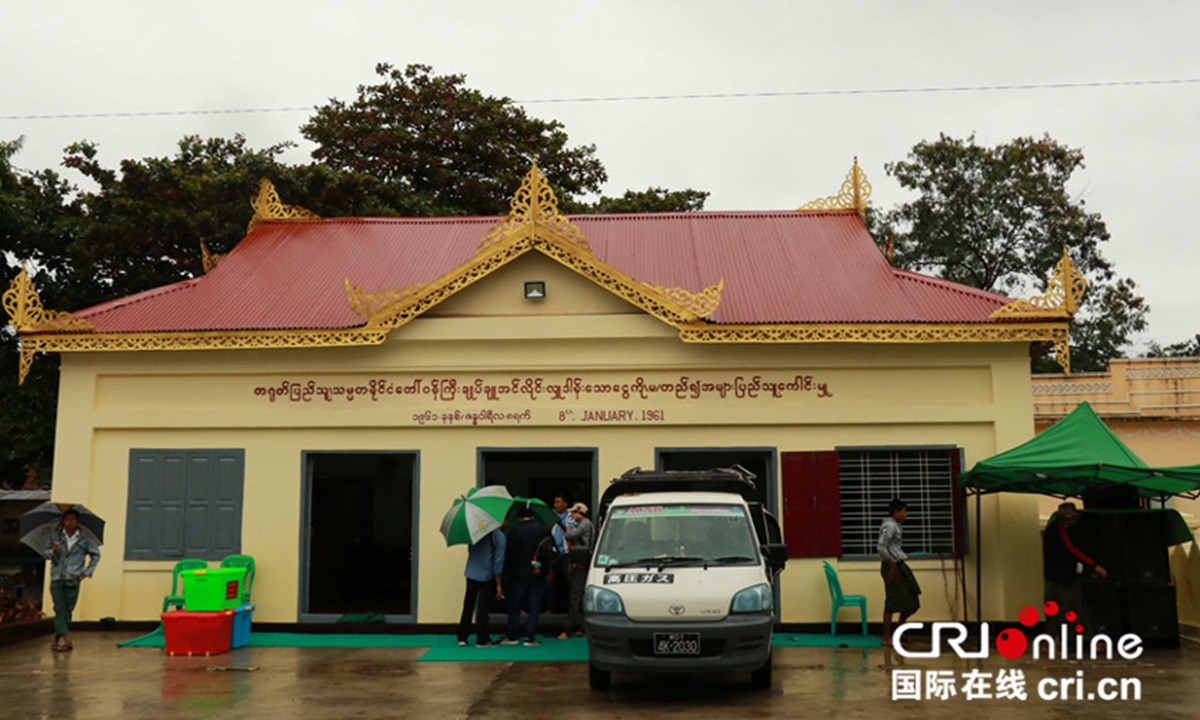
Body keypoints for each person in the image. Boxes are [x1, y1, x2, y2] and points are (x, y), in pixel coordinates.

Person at [43, 507, 100, 652]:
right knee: (59, 607)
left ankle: (57, 636)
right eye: (67, 519)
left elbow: (95, 555)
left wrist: (87, 572)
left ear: (77, 522)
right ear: (63, 521)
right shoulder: (56, 537)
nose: (70, 522)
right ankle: (67, 638)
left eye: (73, 519)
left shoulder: (84, 539)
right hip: (57, 577)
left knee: (68, 609)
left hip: (74, 577)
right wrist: (53, 551)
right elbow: (45, 553)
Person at [1042, 501, 1106, 631]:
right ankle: (1052, 638)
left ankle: (1083, 637)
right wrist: (1094, 565)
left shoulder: (1064, 530)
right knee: (1062, 608)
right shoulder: (1058, 531)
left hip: (1067, 575)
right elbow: (1071, 549)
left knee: (1076, 607)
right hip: (1061, 577)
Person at [502, 505, 551, 646]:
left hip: (518, 573)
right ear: (533, 516)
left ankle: (513, 635)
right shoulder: (543, 529)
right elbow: (549, 551)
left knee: (514, 605)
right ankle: (530, 636)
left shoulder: (514, 531)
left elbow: (509, 555)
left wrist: (507, 574)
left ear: (518, 518)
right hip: (538, 572)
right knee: (534, 605)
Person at [878, 499, 920, 646]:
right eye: (903, 512)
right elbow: (881, 547)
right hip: (892, 565)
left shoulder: (895, 525)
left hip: (899, 563)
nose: (905, 515)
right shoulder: (889, 526)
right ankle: (886, 637)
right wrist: (892, 565)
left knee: (911, 598)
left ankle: (898, 632)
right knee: (892, 600)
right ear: (895, 512)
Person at [457, 527, 506, 648]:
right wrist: (499, 583)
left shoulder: (475, 532)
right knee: (483, 607)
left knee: (468, 605)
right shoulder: (498, 535)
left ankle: (462, 637)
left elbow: (470, 550)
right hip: (486, 575)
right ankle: (481, 639)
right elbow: (499, 560)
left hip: (471, 572)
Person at [558, 502, 594, 640]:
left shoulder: (584, 524)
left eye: (574, 512)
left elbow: (570, 536)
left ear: (580, 513)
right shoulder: (587, 524)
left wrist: (567, 528)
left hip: (581, 565)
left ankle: (568, 629)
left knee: (575, 596)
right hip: (582, 564)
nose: (571, 515)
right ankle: (581, 628)